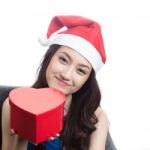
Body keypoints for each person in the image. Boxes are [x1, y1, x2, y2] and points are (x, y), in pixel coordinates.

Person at [2, 15, 109, 150]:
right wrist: (24, 134)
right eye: (63, 60)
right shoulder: (13, 105)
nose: (66, 75)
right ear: (50, 56)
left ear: (87, 79)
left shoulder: (95, 117)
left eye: (81, 71)